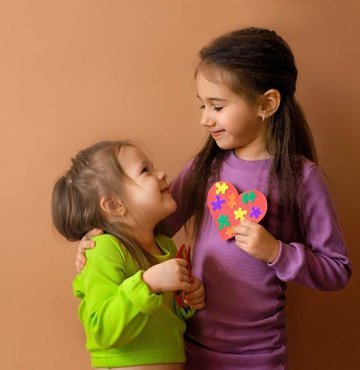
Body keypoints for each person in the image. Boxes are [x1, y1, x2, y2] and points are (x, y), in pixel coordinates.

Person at [76, 28, 352, 369]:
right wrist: (101, 240)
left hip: (258, 355)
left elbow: (337, 270)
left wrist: (276, 252)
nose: (205, 118)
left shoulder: (302, 178)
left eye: (217, 106)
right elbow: (148, 225)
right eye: (202, 104)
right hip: (186, 346)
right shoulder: (207, 167)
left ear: (267, 104)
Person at [52, 140, 205, 369]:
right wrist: (148, 284)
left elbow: (160, 320)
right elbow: (102, 330)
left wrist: (187, 301)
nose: (162, 174)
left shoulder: (166, 247)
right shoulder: (104, 249)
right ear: (114, 205)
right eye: (145, 171)